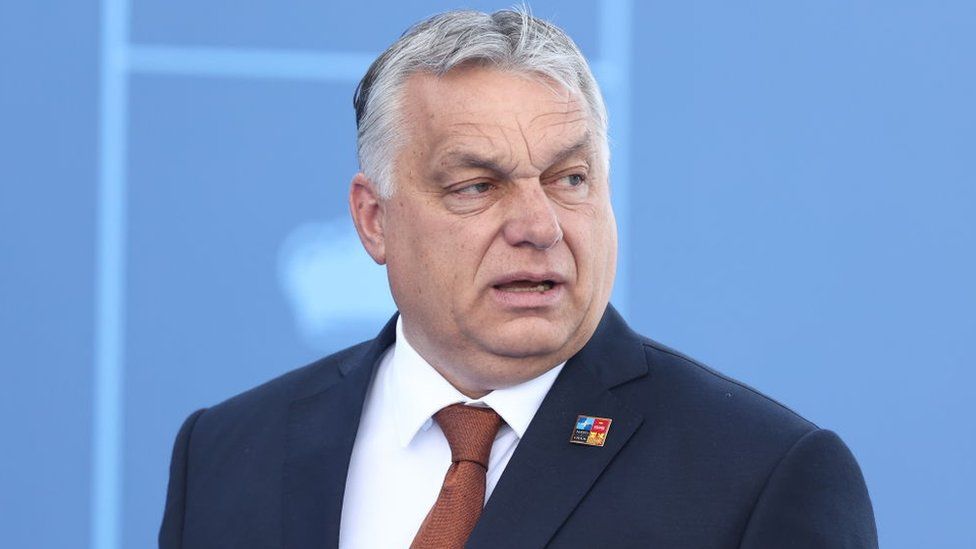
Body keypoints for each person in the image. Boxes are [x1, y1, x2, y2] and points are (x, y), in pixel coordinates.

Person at [159, 8, 878, 549]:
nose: (539, 225)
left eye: (570, 179)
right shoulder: (226, 453)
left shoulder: (760, 475)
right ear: (375, 220)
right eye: (477, 185)